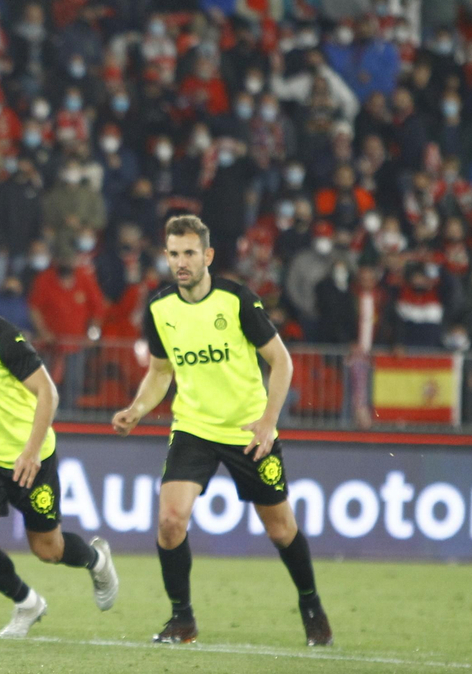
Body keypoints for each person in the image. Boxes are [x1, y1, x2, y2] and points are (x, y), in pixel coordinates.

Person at [111, 215, 331, 647]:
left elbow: (282, 361)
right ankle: (182, 619)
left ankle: (310, 603)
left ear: (207, 255)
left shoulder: (237, 300)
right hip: (193, 426)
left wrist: (268, 422)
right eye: (174, 254)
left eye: (190, 253)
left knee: (281, 529)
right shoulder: (160, 309)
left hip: (248, 429)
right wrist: (137, 409)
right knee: (170, 521)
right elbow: (160, 372)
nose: (181, 262)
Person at [0, 252, 118, 638]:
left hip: (29, 454)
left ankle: (97, 560)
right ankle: (27, 602)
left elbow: (48, 392)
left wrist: (32, 450)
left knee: (47, 549)